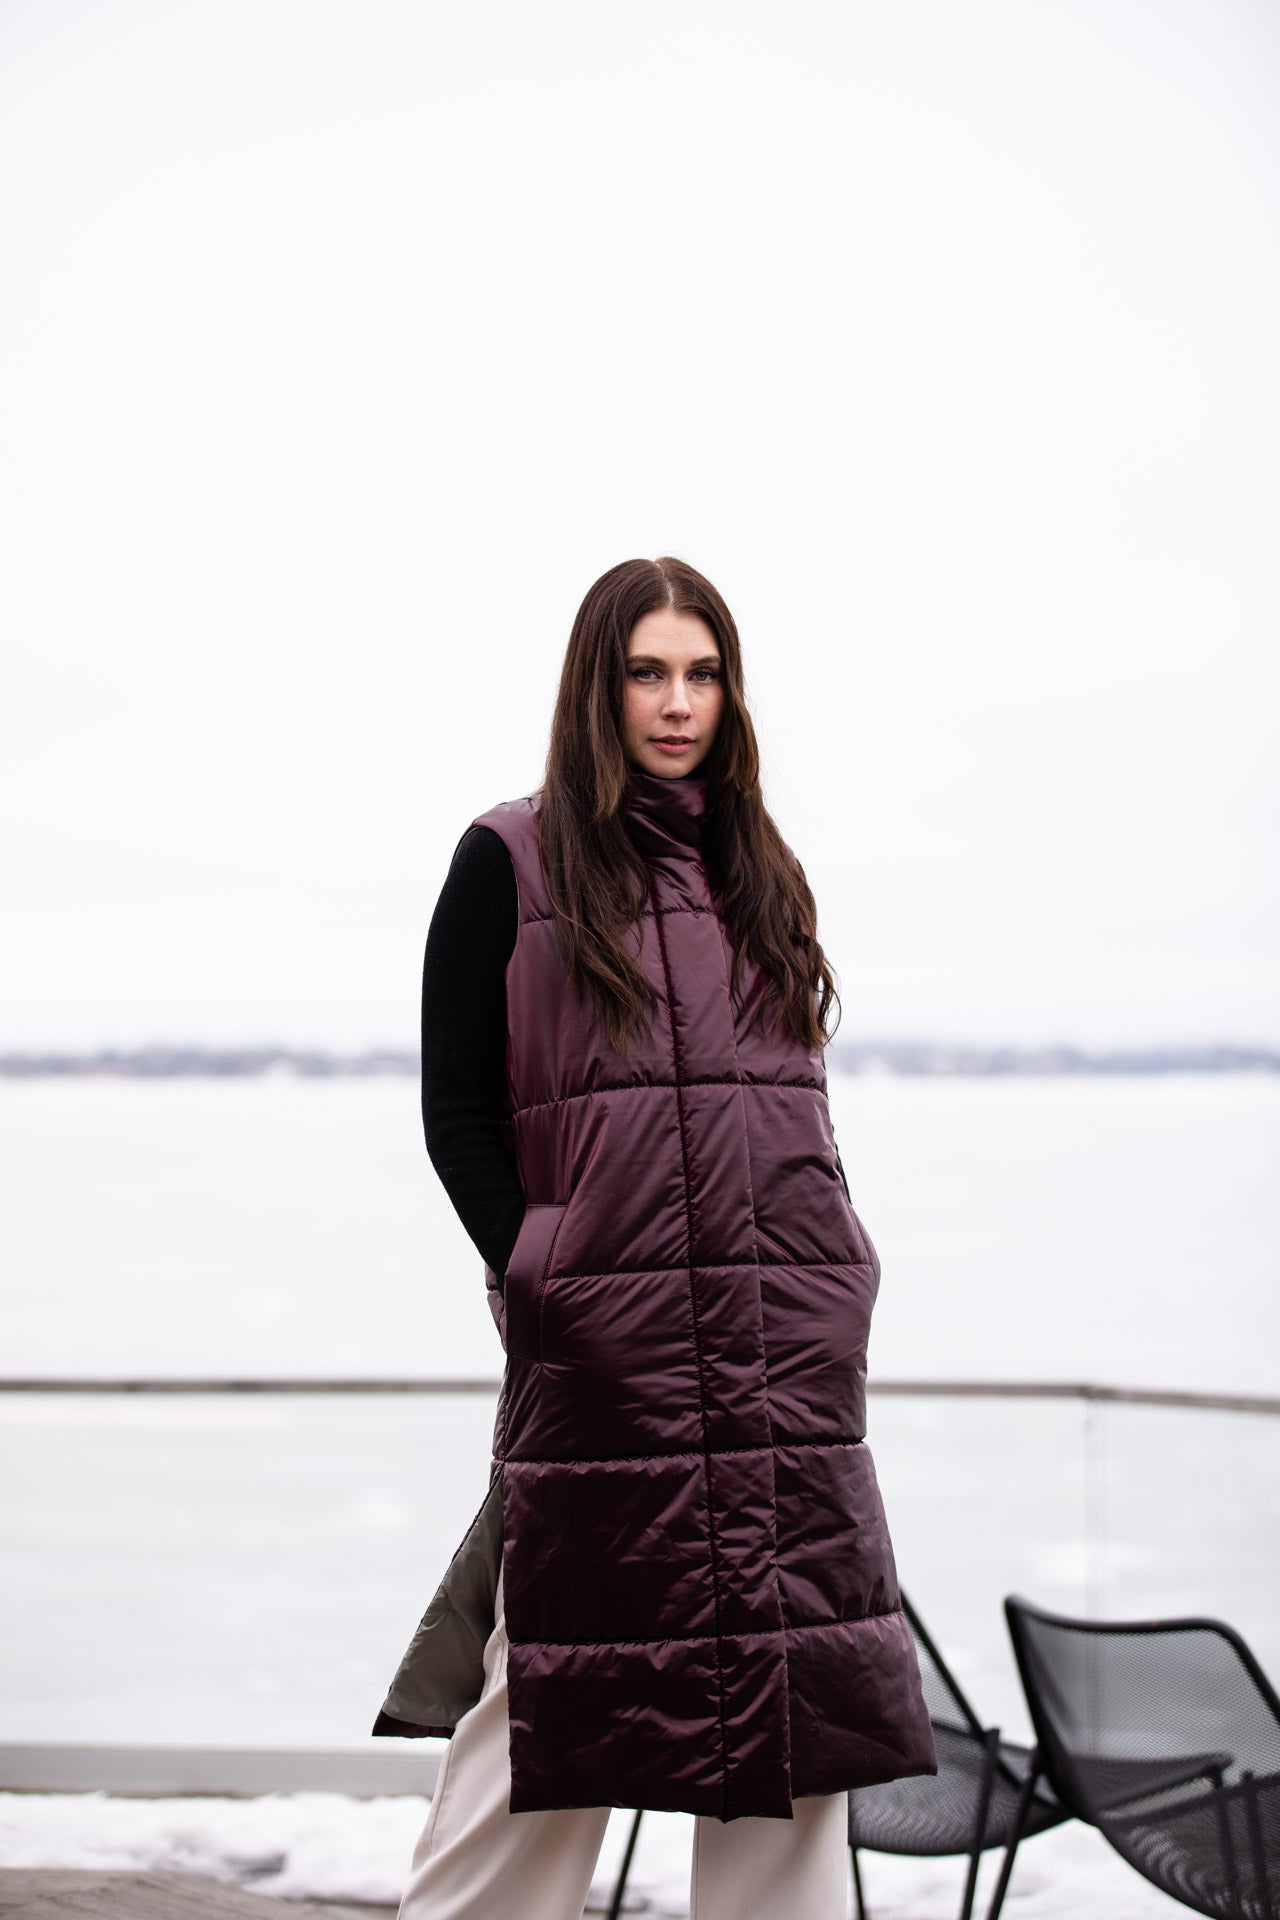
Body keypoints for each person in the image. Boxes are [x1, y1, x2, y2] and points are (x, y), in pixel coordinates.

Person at [373, 557, 936, 1919]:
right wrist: (544, 1274)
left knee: (797, 1714)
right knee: (551, 1684)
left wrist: (839, 1267)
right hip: (606, 1350)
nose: (678, 703)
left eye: (703, 673)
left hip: (783, 1353)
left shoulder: (760, 868)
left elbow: (792, 1101)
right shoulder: (510, 857)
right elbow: (457, 1109)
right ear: (598, 687)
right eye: (647, 673)